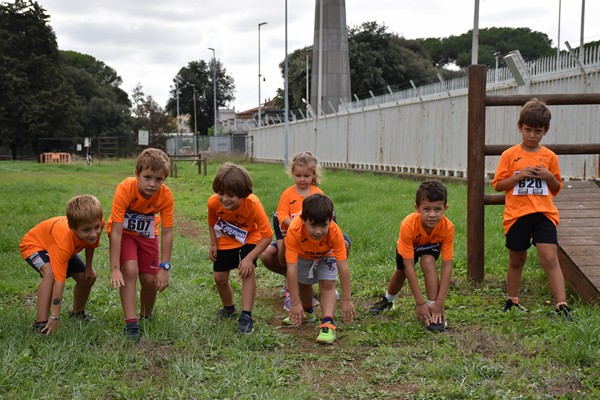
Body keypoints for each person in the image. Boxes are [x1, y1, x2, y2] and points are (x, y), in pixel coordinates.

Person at [492, 98, 572, 320]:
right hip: (517, 215)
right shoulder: (509, 155)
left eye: (537, 131)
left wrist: (547, 176)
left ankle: (562, 305)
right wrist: (519, 177)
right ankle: (512, 300)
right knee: (517, 258)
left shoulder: (549, 157)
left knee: (549, 257)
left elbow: (556, 188)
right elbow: (498, 184)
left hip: (544, 214)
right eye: (528, 130)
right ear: (520, 127)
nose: (531, 135)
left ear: (545, 131)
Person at [259, 151, 350, 310]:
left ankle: (327, 280)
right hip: (290, 233)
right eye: (298, 175)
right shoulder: (287, 194)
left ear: (313, 175)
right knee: (283, 257)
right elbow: (280, 215)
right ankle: (292, 285)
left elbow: (325, 217)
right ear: (293, 174)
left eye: (306, 176)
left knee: (342, 243)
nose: (302, 179)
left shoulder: (317, 193)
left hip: (315, 236)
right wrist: (296, 225)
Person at [369, 179, 454, 332]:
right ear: (417, 208)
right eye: (426, 209)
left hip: (430, 245)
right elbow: (409, 267)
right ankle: (388, 300)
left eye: (438, 209)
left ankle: (433, 308)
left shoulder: (447, 228)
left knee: (428, 261)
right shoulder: (408, 225)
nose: (432, 215)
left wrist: (440, 302)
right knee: (401, 272)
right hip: (410, 247)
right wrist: (419, 303)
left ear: (445, 208)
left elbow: (447, 266)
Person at [108, 148, 174, 339]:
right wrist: (114, 268)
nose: (152, 184)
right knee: (129, 270)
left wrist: (165, 267)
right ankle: (131, 323)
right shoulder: (125, 189)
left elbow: (168, 232)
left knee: (149, 281)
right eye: (147, 177)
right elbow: (117, 231)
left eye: (159, 179)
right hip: (125, 234)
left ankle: (146, 316)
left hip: (147, 235)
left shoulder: (166, 196)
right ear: (137, 174)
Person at [20, 194, 104, 335]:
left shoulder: (96, 224)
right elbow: (59, 283)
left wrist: (89, 267)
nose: (94, 233)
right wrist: (55, 316)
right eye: (87, 230)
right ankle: (41, 323)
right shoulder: (64, 242)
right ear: (73, 228)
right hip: (35, 245)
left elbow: (91, 244)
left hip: (62, 247)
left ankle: (78, 312)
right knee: (51, 275)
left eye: (96, 227)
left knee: (88, 277)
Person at [207, 162, 273, 334]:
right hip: (227, 238)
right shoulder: (214, 203)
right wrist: (213, 243)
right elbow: (212, 222)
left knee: (246, 270)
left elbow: (267, 236)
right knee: (219, 278)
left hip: (250, 237)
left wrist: (249, 258)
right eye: (221, 193)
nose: (225, 199)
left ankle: (246, 315)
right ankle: (229, 308)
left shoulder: (253, 204)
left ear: (243, 194)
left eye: (231, 195)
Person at [284, 193, 355, 344]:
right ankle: (308, 313)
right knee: (304, 283)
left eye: (323, 225)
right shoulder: (294, 231)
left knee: (327, 284)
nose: (318, 231)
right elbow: (291, 269)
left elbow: (343, 266)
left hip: (326, 252)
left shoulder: (334, 232)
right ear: (303, 220)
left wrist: (347, 299)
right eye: (313, 225)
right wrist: (295, 304)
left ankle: (327, 324)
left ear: (330, 220)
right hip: (303, 253)